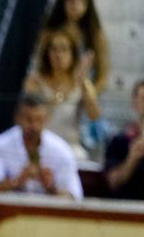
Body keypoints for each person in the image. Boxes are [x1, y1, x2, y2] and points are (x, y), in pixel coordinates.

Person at [0, 93, 83, 199]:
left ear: (47, 118)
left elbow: (75, 195)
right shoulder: (0, 144)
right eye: (28, 119)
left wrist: (51, 188)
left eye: (39, 120)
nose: (34, 126)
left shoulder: (61, 150)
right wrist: (17, 181)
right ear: (17, 118)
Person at [23, 26, 101, 159]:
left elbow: (94, 115)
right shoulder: (34, 81)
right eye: (54, 49)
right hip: (42, 146)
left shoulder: (83, 83)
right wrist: (61, 96)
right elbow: (30, 113)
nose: (58, 55)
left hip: (70, 148)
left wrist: (82, 81)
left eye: (64, 49)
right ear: (47, 53)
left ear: (73, 54)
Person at [43, 0, 110, 98]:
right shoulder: (49, 33)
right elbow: (41, 68)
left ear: (88, 5)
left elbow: (103, 76)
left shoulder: (95, 35)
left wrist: (88, 96)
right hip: (53, 94)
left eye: (82, 1)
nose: (75, 5)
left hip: (83, 97)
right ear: (62, 1)